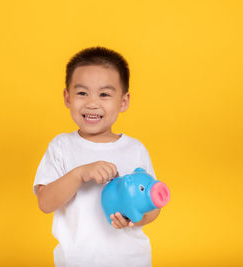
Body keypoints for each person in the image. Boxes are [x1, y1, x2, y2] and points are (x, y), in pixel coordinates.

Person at [33, 46, 161, 267]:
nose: (92, 103)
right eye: (82, 93)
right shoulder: (62, 146)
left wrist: (133, 219)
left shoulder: (135, 149)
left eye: (104, 94)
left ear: (123, 101)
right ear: (67, 97)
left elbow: (153, 205)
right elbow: (45, 202)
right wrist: (79, 174)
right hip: (77, 261)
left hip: (131, 260)